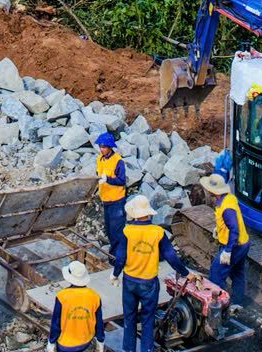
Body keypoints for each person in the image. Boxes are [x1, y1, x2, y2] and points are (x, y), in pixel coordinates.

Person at [117, 196, 189, 352]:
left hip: (130, 281)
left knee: (129, 317)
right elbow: (171, 256)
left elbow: (120, 257)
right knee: (147, 319)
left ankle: (128, 349)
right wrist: (185, 273)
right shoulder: (157, 232)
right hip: (149, 283)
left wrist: (115, 274)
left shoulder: (127, 231)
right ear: (148, 214)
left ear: (134, 214)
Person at [203, 173, 250, 304]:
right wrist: (218, 229)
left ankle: (218, 305)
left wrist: (228, 250)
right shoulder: (229, 198)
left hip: (235, 246)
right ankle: (237, 303)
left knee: (216, 273)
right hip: (243, 242)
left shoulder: (226, 208)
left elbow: (234, 229)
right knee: (237, 274)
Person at [45, 260, 103, 352]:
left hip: (65, 345)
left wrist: (51, 342)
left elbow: (56, 323)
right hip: (85, 343)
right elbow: (99, 323)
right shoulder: (95, 296)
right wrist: (100, 341)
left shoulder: (62, 296)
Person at [94, 132, 130, 270]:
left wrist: (108, 179)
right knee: (109, 230)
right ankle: (114, 256)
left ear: (110, 147)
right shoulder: (99, 159)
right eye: (100, 146)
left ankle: (119, 260)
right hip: (106, 200)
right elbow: (97, 176)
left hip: (117, 201)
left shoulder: (118, 161)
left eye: (104, 147)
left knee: (118, 233)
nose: (101, 149)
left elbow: (121, 181)